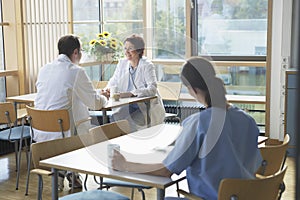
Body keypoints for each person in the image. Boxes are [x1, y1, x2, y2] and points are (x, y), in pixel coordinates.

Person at [111, 57, 263, 199]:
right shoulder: (247, 120)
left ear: (193, 90)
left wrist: (125, 165)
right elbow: (254, 164)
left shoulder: (199, 123)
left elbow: (165, 171)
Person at [34, 34, 107, 190]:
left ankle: (64, 173)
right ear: (75, 52)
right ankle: (71, 172)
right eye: (80, 52)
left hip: (41, 134)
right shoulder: (76, 72)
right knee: (84, 121)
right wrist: (104, 97)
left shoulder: (44, 69)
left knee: (72, 109)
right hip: (64, 135)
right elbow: (94, 104)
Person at [103, 34, 165, 131]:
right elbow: (114, 81)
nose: (127, 52)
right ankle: (119, 145)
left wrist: (131, 93)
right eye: (125, 48)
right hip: (126, 105)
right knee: (114, 120)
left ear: (139, 50)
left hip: (144, 107)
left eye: (130, 48)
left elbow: (152, 89)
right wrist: (106, 90)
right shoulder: (122, 63)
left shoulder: (147, 65)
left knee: (130, 123)